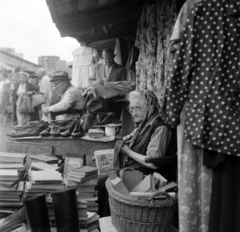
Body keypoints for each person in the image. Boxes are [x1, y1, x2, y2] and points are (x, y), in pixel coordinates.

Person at [98, 90, 172, 217]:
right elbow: (128, 138)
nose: (133, 113)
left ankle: (111, 220)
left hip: (148, 178)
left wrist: (128, 151)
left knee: (105, 181)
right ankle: (108, 221)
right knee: (103, 176)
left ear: (150, 107)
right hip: (135, 171)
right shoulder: (144, 124)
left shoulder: (160, 127)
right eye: (131, 109)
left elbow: (153, 163)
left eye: (137, 108)